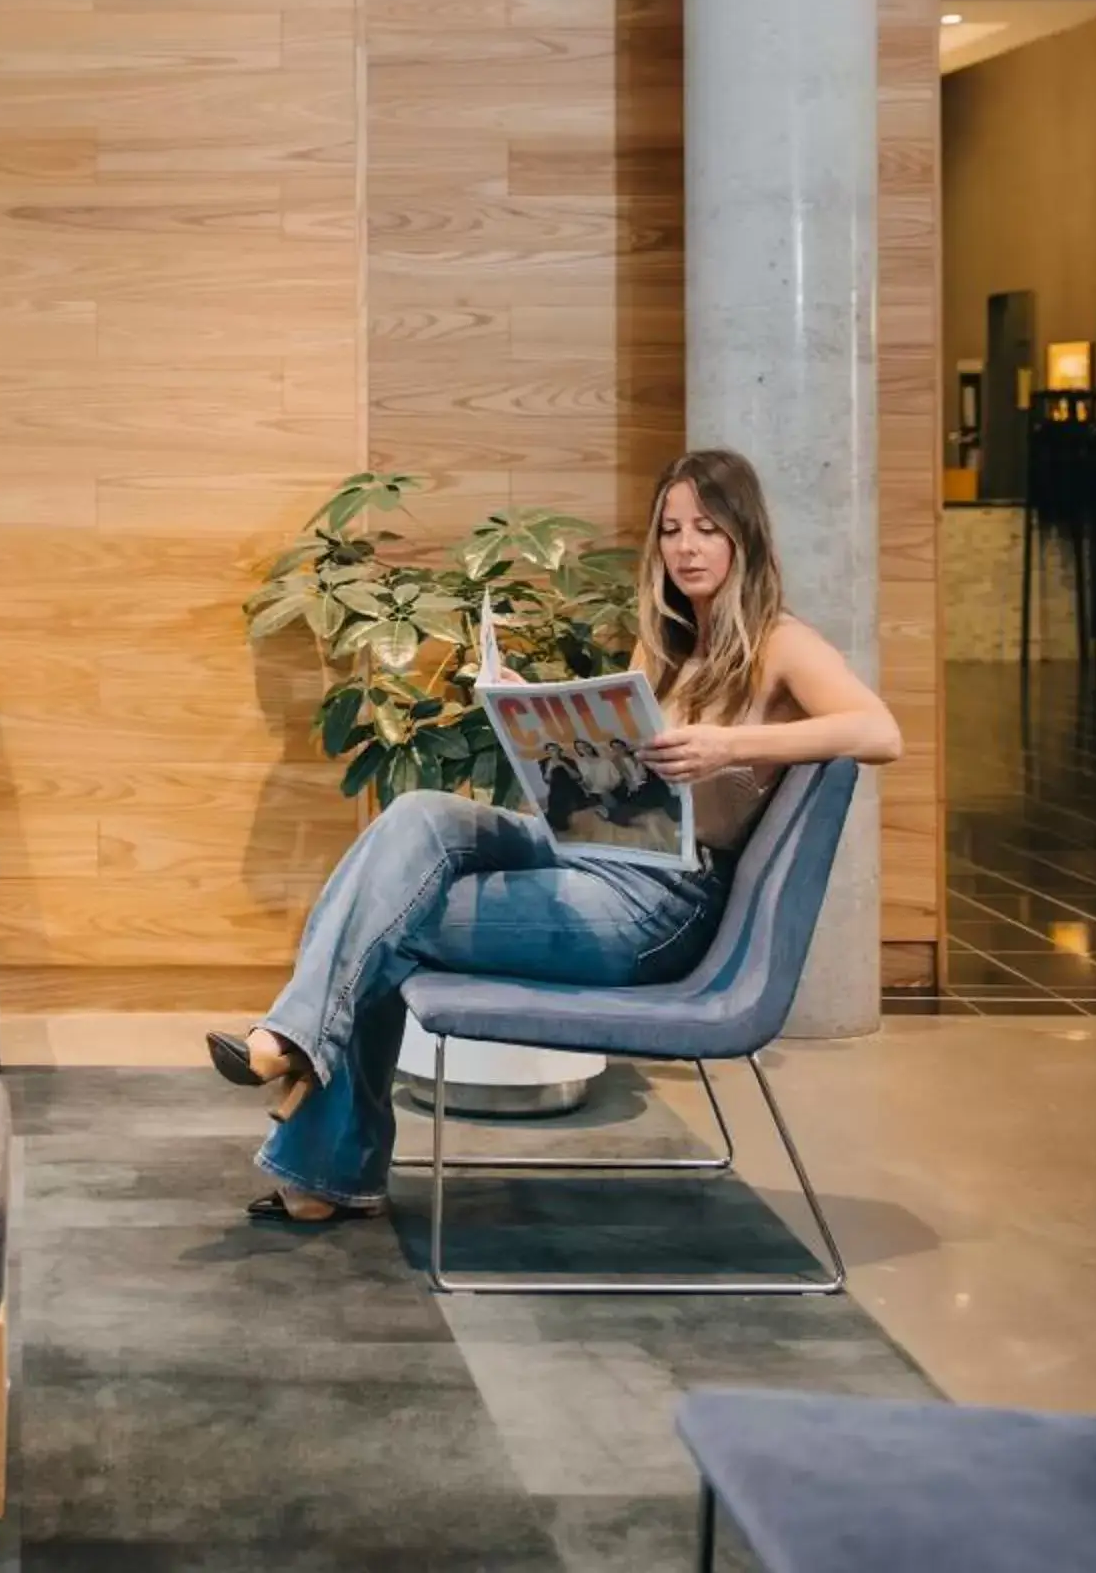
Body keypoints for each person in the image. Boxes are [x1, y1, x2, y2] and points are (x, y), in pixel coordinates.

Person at [203, 449, 903, 1224]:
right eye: (671, 530)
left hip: (656, 907)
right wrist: (535, 715)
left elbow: (878, 730)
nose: (687, 547)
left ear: (746, 538)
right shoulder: (666, 646)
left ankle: (313, 1118)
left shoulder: (781, 643)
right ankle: (300, 1061)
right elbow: (615, 775)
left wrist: (727, 746)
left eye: (708, 528)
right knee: (417, 819)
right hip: (592, 848)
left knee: (389, 920)